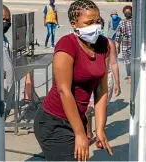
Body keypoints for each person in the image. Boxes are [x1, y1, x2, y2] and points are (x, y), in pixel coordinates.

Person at [34, 0, 113, 161]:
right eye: (89, 22)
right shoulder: (67, 44)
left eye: (97, 21)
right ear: (74, 23)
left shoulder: (104, 44)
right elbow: (64, 90)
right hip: (54, 122)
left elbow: (101, 89)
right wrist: (79, 133)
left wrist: (99, 129)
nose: (95, 26)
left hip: (78, 118)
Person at [86, 17, 121, 147]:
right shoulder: (84, 42)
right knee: (87, 109)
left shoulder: (109, 43)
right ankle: (88, 133)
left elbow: (114, 64)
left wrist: (117, 83)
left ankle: (100, 134)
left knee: (101, 107)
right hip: (89, 79)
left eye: (98, 26)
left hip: (106, 78)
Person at [115, 5, 132, 84]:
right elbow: (118, 35)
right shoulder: (121, 22)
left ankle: (135, 75)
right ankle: (129, 76)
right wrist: (117, 47)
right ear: (124, 13)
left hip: (135, 45)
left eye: (129, 11)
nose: (127, 13)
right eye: (126, 12)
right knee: (127, 61)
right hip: (125, 45)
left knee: (136, 60)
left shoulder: (136, 22)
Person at [3, 5, 14, 119]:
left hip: (7, 93)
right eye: (3, 19)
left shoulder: (4, 39)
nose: (6, 23)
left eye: (8, 20)